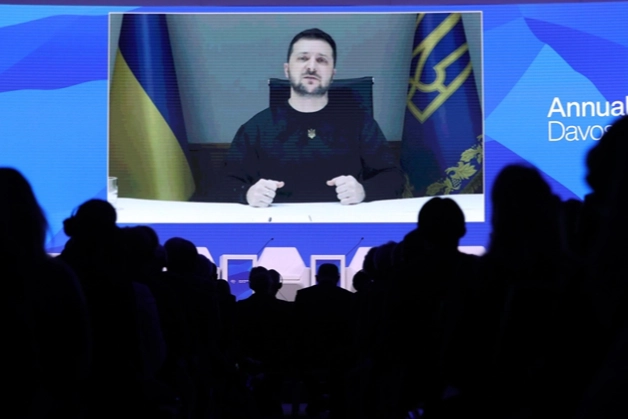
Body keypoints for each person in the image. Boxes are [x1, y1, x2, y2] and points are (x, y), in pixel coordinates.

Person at [221, 27, 406, 206]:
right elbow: (224, 183)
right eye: (303, 58)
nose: (311, 67)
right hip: (278, 224)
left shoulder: (360, 123)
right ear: (287, 69)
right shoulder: (256, 128)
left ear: (332, 74)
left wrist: (364, 191)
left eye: (321, 60)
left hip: (343, 222)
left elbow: (394, 178)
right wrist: (247, 193)